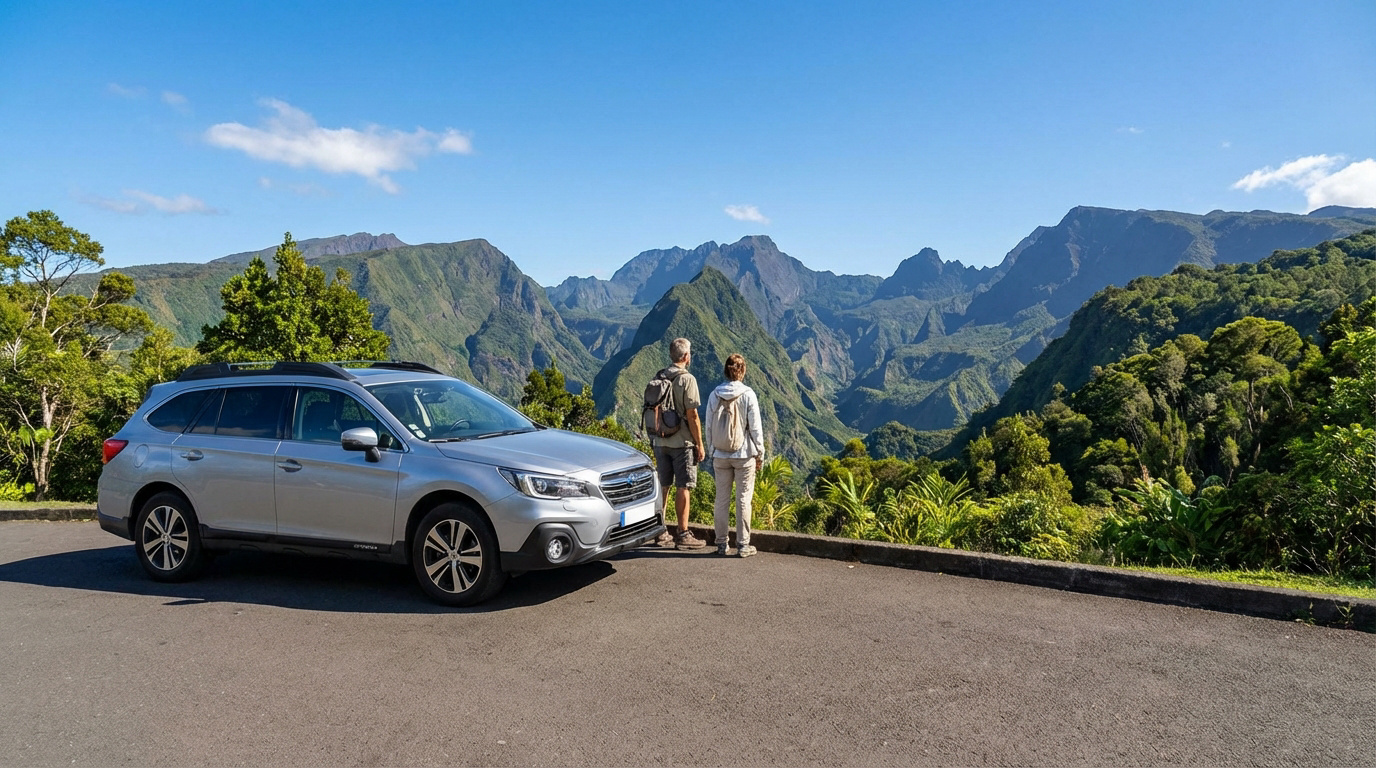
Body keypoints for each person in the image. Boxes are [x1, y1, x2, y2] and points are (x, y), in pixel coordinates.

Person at [704, 353, 765, 557]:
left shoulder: (714, 394)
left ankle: (721, 544)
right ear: (743, 371)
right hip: (744, 454)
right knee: (743, 499)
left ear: (725, 370)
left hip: (720, 455)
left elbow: (709, 426)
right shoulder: (748, 395)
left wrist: (711, 448)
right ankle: (743, 545)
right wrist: (760, 454)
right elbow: (756, 429)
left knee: (721, 500)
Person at [651, 337, 707, 550]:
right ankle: (682, 533)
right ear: (686, 356)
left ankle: (660, 531)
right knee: (683, 486)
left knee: (663, 486)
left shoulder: (659, 376)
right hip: (681, 443)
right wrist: (699, 444)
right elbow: (692, 415)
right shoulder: (687, 380)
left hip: (660, 441)